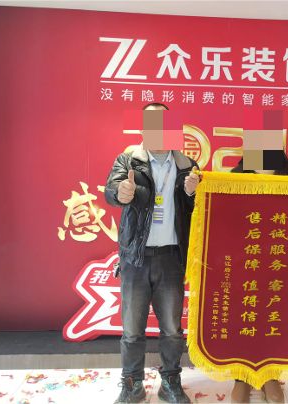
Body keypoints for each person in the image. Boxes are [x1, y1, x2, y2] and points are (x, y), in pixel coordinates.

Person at [105, 102, 200, 404]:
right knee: (132, 329)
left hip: (171, 258)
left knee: (172, 328)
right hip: (136, 257)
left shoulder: (187, 165)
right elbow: (111, 191)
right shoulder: (128, 160)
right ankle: (132, 384)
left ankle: (170, 382)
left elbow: (198, 210)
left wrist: (192, 192)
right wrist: (121, 193)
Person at [229, 150, 288, 403]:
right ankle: (242, 378)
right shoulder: (234, 179)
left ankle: (270, 376)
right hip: (245, 261)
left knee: (273, 318)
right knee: (244, 318)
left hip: (277, 262)